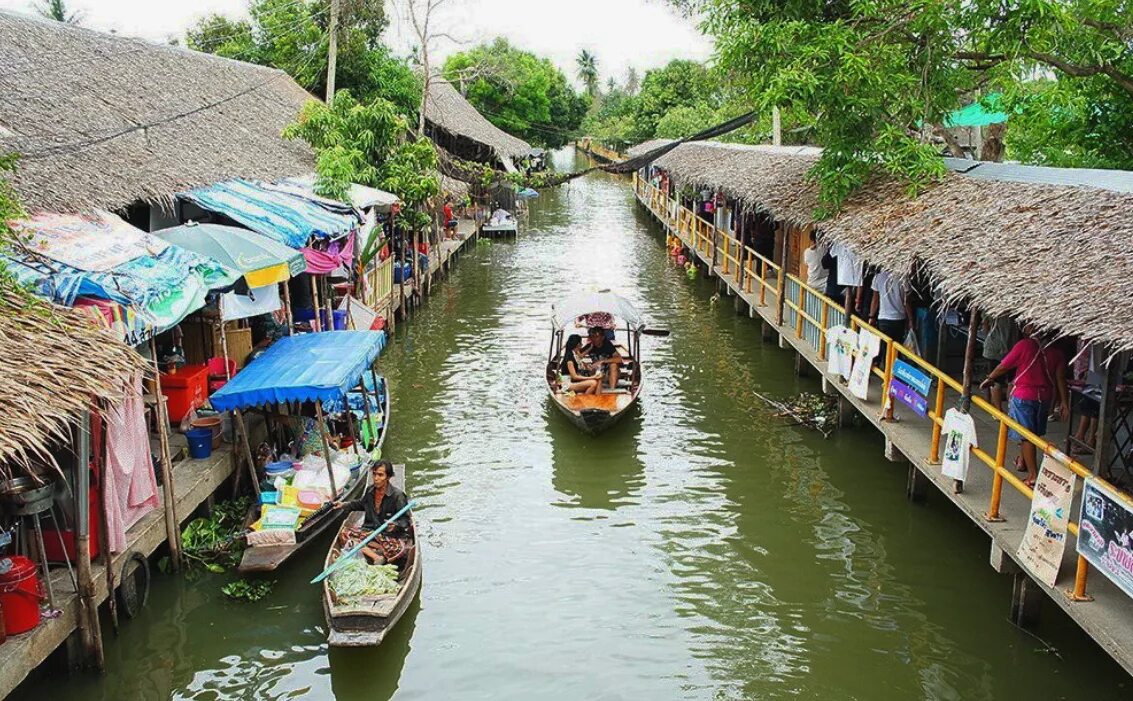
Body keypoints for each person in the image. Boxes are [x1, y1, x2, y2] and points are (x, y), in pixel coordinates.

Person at [979, 325, 1070, 488]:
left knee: (1026, 435)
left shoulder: (1025, 345)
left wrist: (989, 378)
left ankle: (1033, 475)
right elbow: (1060, 379)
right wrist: (1064, 402)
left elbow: (1004, 365)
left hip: (1024, 395)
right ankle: (1022, 462)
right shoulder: (1058, 353)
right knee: (1033, 434)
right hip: (1045, 398)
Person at [334, 460, 413, 565]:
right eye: (374, 474)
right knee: (344, 533)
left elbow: (406, 520)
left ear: (388, 477)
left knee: (397, 549)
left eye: (380, 475)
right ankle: (376, 556)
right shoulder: (370, 490)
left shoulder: (398, 496)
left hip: (388, 535)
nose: (376, 478)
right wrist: (344, 505)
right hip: (370, 531)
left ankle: (369, 549)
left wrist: (395, 525)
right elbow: (361, 504)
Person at [981, 316, 1018, 411]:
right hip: (1012, 347)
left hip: (994, 348)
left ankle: (997, 410)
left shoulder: (992, 306)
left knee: (995, 381)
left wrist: (988, 336)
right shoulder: (1015, 309)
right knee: (1012, 381)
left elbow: (985, 325)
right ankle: (1010, 409)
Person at [583, 326, 622, 391]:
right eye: (592, 336)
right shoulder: (590, 346)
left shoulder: (607, 345)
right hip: (596, 372)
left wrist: (603, 361)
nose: (594, 339)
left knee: (613, 365)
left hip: (608, 372)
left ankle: (612, 390)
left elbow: (619, 359)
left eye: (596, 337)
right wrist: (586, 365)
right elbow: (577, 357)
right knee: (589, 368)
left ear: (602, 337)